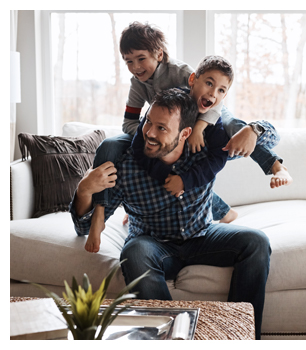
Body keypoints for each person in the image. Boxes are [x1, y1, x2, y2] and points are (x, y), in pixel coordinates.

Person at [69, 88, 271, 339]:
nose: (149, 134)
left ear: (186, 132)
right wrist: (84, 190)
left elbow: (269, 141)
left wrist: (253, 130)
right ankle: (172, 340)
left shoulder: (205, 151)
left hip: (202, 235)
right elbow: (83, 228)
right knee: (134, 251)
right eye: (148, 123)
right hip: (153, 243)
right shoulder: (126, 164)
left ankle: (239, 338)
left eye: (162, 128)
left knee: (256, 242)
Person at [85, 22, 292, 253]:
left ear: (159, 54)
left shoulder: (181, 73)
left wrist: (200, 128)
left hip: (204, 117)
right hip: (168, 134)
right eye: (129, 61)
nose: (135, 66)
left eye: (141, 59)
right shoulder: (138, 84)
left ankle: (275, 166)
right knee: (110, 145)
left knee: (236, 129)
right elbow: (129, 123)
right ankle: (100, 212)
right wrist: (152, 135)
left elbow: (209, 99)